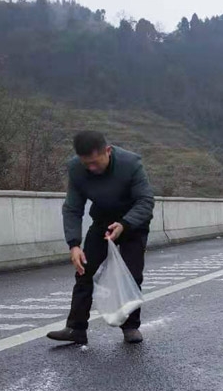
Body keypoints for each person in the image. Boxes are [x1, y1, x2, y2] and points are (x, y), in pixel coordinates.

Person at [47, 131, 155, 345]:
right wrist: (74, 244)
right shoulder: (77, 169)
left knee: (131, 275)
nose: (92, 168)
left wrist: (124, 224)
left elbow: (145, 201)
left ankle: (131, 327)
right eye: (87, 164)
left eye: (95, 163)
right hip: (102, 224)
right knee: (84, 271)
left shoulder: (130, 164)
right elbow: (72, 208)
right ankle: (76, 328)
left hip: (132, 225)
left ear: (108, 151)